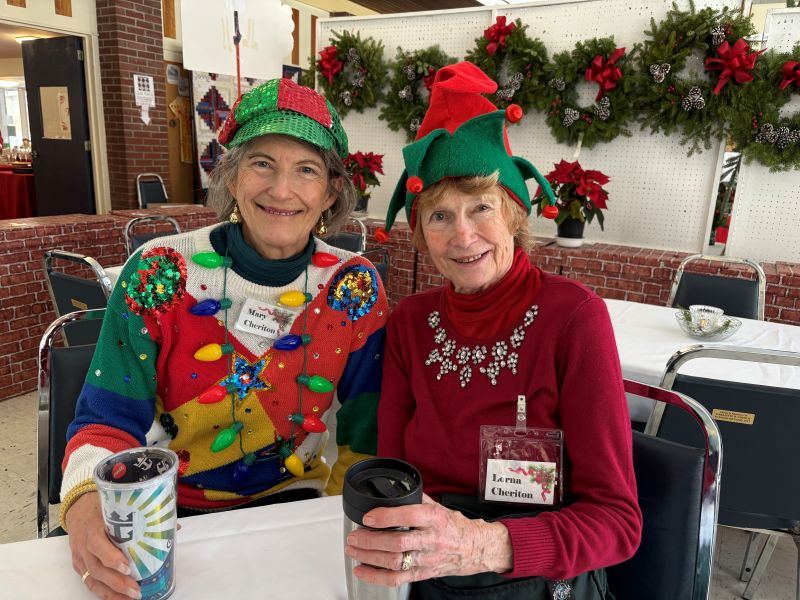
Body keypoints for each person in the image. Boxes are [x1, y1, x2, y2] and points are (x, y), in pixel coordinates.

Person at [60, 77, 388, 599]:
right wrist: (80, 509)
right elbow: (105, 420)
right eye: (262, 163)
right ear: (231, 178)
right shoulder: (160, 271)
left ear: (329, 193)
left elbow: (367, 431)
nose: (281, 190)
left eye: (305, 170)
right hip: (164, 508)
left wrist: (341, 518)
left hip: (294, 506)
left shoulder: (353, 285)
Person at [345, 62, 641, 599]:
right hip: (426, 573)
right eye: (438, 216)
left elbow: (617, 523)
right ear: (421, 234)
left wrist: (479, 545)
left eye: (481, 207)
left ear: (513, 214)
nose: (463, 235)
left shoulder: (573, 317)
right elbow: (393, 479)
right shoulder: (411, 322)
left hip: (533, 571)